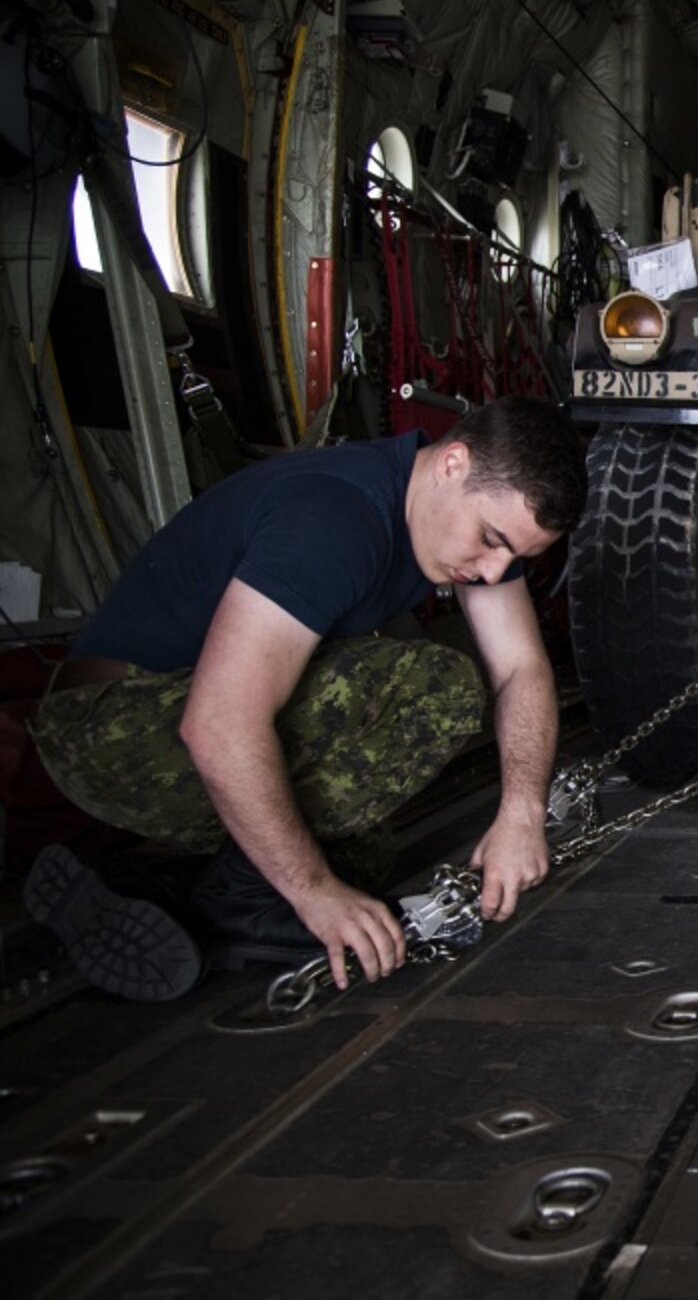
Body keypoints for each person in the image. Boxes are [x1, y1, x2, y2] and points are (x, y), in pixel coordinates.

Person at [25, 396, 587, 999]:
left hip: (177, 715)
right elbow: (218, 724)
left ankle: (149, 882)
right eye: (490, 539)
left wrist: (522, 815)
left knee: (362, 855)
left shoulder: (449, 522)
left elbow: (522, 669)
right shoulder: (336, 518)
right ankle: (240, 900)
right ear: (453, 463)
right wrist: (314, 892)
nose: (492, 569)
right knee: (431, 689)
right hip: (109, 732)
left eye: (516, 558)